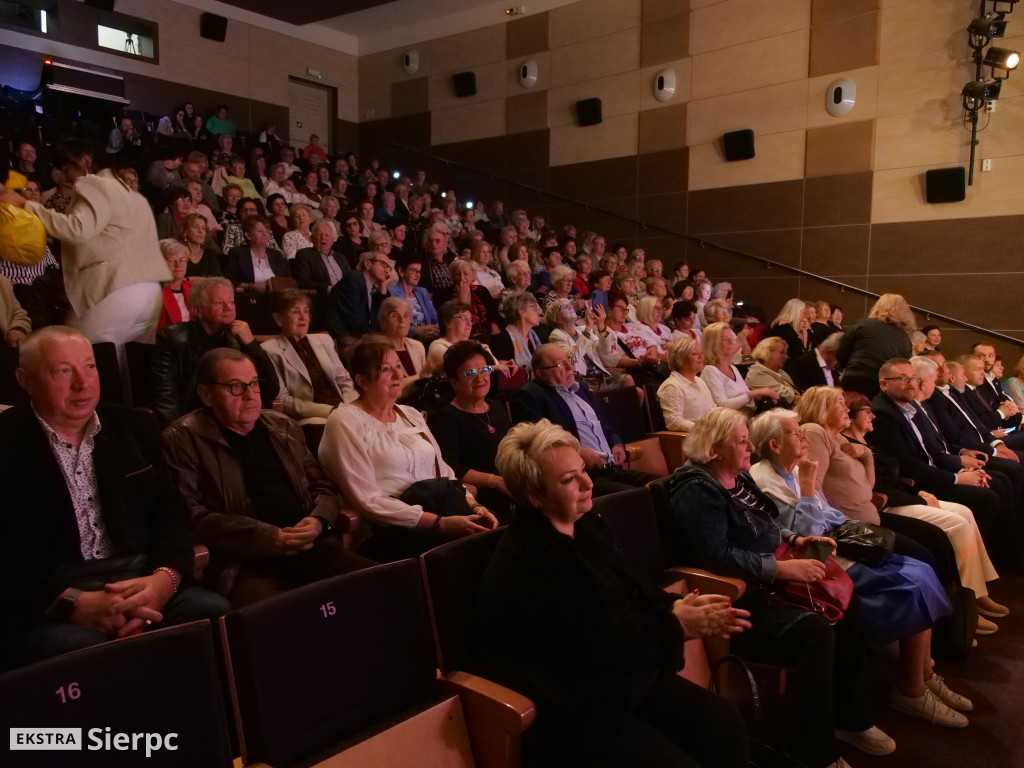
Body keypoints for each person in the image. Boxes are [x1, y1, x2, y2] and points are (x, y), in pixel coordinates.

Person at [478, 418, 750, 768]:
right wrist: (675, 626)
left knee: (722, 722)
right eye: (568, 480)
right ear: (534, 496)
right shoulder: (525, 563)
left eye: (581, 470)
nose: (588, 483)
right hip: (579, 705)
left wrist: (677, 605)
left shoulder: (586, 525)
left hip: (623, 678)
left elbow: (630, 590)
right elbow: (592, 645)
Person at [667, 408, 893, 767]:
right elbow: (715, 555)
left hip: (771, 581)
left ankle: (847, 718)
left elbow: (768, 524)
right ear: (714, 449)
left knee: (853, 609)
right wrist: (782, 569)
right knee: (817, 633)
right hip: (743, 596)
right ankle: (814, 750)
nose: (750, 448)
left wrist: (796, 539)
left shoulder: (737, 478)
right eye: (742, 441)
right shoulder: (696, 489)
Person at [0, 327, 230, 671]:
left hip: (140, 576)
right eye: (63, 371)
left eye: (89, 367)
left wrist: (164, 581)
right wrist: (70, 604)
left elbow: (172, 515)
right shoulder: (6, 441)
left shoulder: (136, 426)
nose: (83, 383)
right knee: (81, 650)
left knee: (211, 612)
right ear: (25, 380)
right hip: (50, 594)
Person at [746, 409, 966, 727]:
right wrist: (809, 488)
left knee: (922, 568)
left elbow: (830, 516)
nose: (804, 437)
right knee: (911, 584)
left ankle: (924, 673)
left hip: (839, 544)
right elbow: (809, 536)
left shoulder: (792, 469)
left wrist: (831, 512)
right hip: (817, 561)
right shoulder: (764, 481)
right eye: (795, 433)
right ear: (774, 446)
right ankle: (910, 690)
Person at [161, 349, 371, 606]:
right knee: (278, 621)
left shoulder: (283, 426)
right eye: (235, 387)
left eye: (253, 384)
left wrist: (318, 521)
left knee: (383, 585)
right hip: (245, 564)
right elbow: (192, 515)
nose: (250, 395)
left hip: (311, 547)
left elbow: (323, 487)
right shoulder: (183, 438)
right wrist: (267, 538)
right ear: (206, 395)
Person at [837, 388, 1007, 626]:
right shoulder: (848, 447)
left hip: (903, 495)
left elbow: (899, 477)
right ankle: (965, 608)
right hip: (884, 507)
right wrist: (919, 499)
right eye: (866, 411)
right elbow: (877, 491)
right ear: (851, 416)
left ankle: (978, 594)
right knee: (956, 525)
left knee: (965, 512)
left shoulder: (867, 443)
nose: (873, 416)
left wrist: (918, 492)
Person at [318, 342, 498, 560]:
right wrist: (438, 522)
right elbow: (369, 501)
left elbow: (446, 475)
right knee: (474, 551)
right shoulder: (345, 421)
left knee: (498, 532)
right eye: (386, 369)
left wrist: (476, 507)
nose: (398, 374)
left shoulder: (410, 414)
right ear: (362, 381)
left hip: (441, 510)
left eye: (398, 365)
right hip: (389, 528)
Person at [0, 140, 169, 347]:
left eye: (67, 169)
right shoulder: (123, 189)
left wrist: (25, 205)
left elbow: (77, 228)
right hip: (146, 292)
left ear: (85, 160)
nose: (66, 177)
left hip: (113, 290)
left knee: (74, 353)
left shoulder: (93, 183)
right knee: (126, 366)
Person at [515, 344, 656, 495]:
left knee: (665, 485)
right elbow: (539, 442)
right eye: (560, 364)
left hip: (612, 468)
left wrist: (616, 444)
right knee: (643, 497)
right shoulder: (531, 395)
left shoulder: (581, 387)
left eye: (568, 360)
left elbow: (603, 424)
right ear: (540, 373)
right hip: (583, 476)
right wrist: (578, 452)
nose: (570, 366)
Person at [150, 277, 279, 424]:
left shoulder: (239, 338)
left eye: (231, 302)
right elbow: (165, 400)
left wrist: (251, 345)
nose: (229, 308)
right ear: (197, 310)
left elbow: (271, 389)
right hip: (196, 425)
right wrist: (180, 437)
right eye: (219, 303)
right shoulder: (171, 339)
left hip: (239, 422)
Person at [426, 341, 517, 521]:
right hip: (479, 496)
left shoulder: (497, 407)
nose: (480, 378)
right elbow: (451, 467)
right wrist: (496, 482)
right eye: (470, 373)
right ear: (453, 381)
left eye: (484, 370)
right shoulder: (445, 418)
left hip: (512, 484)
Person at [261, 290, 357, 422]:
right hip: (313, 416)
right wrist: (330, 411)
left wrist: (351, 406)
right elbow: (283, 400)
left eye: (306, 311)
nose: (303, 317)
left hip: (345, 408)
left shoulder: (324, 340)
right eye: (295, 312)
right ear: (278, 319)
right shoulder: (270, 350)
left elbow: (343, 379)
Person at [838, 294, 914, 397]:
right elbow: (905, 366)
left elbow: (841, 351)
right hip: (881, 384)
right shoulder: (905, 338)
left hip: (854, 377)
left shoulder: (862, 324)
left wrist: (847, 369)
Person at [699, 323, 779, 412]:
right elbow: (722, 406)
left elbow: (747, 399)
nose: (731, 342)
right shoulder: (709, 371)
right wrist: (755, 393)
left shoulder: (733, 368)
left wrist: (760, 396)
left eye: (731, 339)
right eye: (725, 339)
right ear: (712, 344)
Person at [325, 251, 392, 343]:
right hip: (344, 338)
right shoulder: (354, 279)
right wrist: (372, 339)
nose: (387, 271)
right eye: (383, 265)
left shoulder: (372, 289)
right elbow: (354, 319)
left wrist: (383, 286)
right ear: (367, 264)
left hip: (359, 337)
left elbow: (381, 320)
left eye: (389, 268)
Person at [657, 335, 717, 432]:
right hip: (693, 439)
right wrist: (702, 431)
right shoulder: (672, 386)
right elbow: (673, 422)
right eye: (694, 354)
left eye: (701, 353)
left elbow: (713, 410)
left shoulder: (699, 381)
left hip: (711, 433)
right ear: (679, 360)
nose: (701, 357)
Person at [223, 215, 290, 292]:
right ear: (248, 235)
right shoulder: (237, 253)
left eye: (267, 231)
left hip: (277, 298)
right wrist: (251, 286)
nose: (265, 234)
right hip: (249, 298)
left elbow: (288, 282)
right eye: (260, 231)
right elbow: (228, 281)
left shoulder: (277, 255)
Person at [378, 297, 427, 400]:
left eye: (406, 315)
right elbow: (391, 390)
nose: (402, 321)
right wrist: (427, 371)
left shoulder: (417, 346)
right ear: (383, 322)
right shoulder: (378, 351)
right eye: (395, 316)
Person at [389, 255, 439, 342]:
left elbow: (435, 318)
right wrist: (414, 331)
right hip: (406, 339)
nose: (418, 275)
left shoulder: (422, 292)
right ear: (401, 271)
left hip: (428, 338)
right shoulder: (391, 292)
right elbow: (393, 324)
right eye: (413, 271)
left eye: (419, 271)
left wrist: (434, 330)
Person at [291, 220, 349, 295]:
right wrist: (329, 289)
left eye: (327, 235)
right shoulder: (304, 254)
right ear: (312, 239)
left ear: (332, 240)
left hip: (345, 297)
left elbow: (350, 279)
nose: (323, 238)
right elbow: (303, 281)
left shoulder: (341, 257)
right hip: (323, 297)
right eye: (319, 234)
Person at [745, 337, 800, 406]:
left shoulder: (779, 371)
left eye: (785, 353)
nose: (786, 357)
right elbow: (788, 398)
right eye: (782, 352)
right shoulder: (758, 373)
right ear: (767, 352)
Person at [157, 239, 193, 331]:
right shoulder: (153, 294)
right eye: (171, 260)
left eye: (183, 259)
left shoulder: (194, 289)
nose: (178, 265)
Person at [178, 212, 223, 278]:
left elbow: (218, 279)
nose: (200, 231)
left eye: (203, 228)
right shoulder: (177, 253)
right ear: (185, 231)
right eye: (195, 227)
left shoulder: (210, 254)